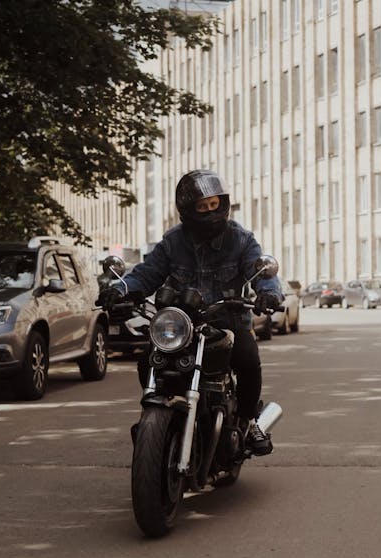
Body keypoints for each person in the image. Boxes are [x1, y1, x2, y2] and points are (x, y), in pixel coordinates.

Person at [100, 169, 283, 455]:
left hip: (228, 322)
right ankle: (154, 419)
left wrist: (269, 292)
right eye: (202, 207)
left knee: (248, 360)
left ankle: (249, 423)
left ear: (223, 203)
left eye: (214, 205)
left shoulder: (241, 239)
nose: (210, 213)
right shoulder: (174, 242)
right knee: (149, 361)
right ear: (188, 210)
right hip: (181, 323)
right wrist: (121, 290)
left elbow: (260, 272)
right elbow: (147, 273)